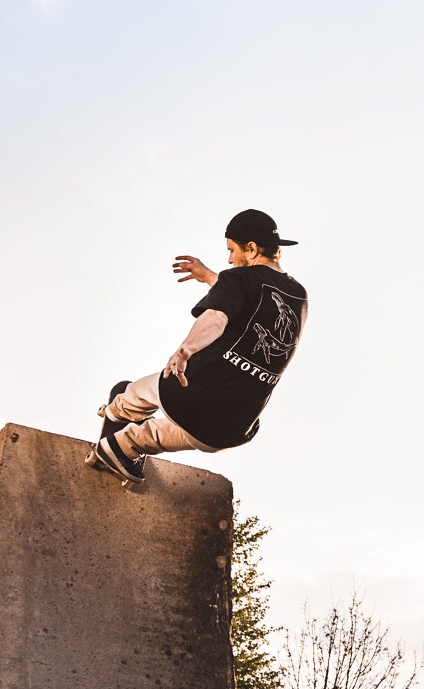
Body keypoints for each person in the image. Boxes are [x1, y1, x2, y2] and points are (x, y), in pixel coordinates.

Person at [87, 207, 308, 483]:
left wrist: (186, 350)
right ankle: (119, 450)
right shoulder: (298, 297)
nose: (229, 260)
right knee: (157, 435)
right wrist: (209, 277)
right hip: (232, 429)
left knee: (135, 393)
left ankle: (113, 412)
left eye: (231, 250)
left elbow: (218, 316)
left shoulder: (238, 280)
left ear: (251, 249)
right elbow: (251, 303)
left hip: (192, 397)